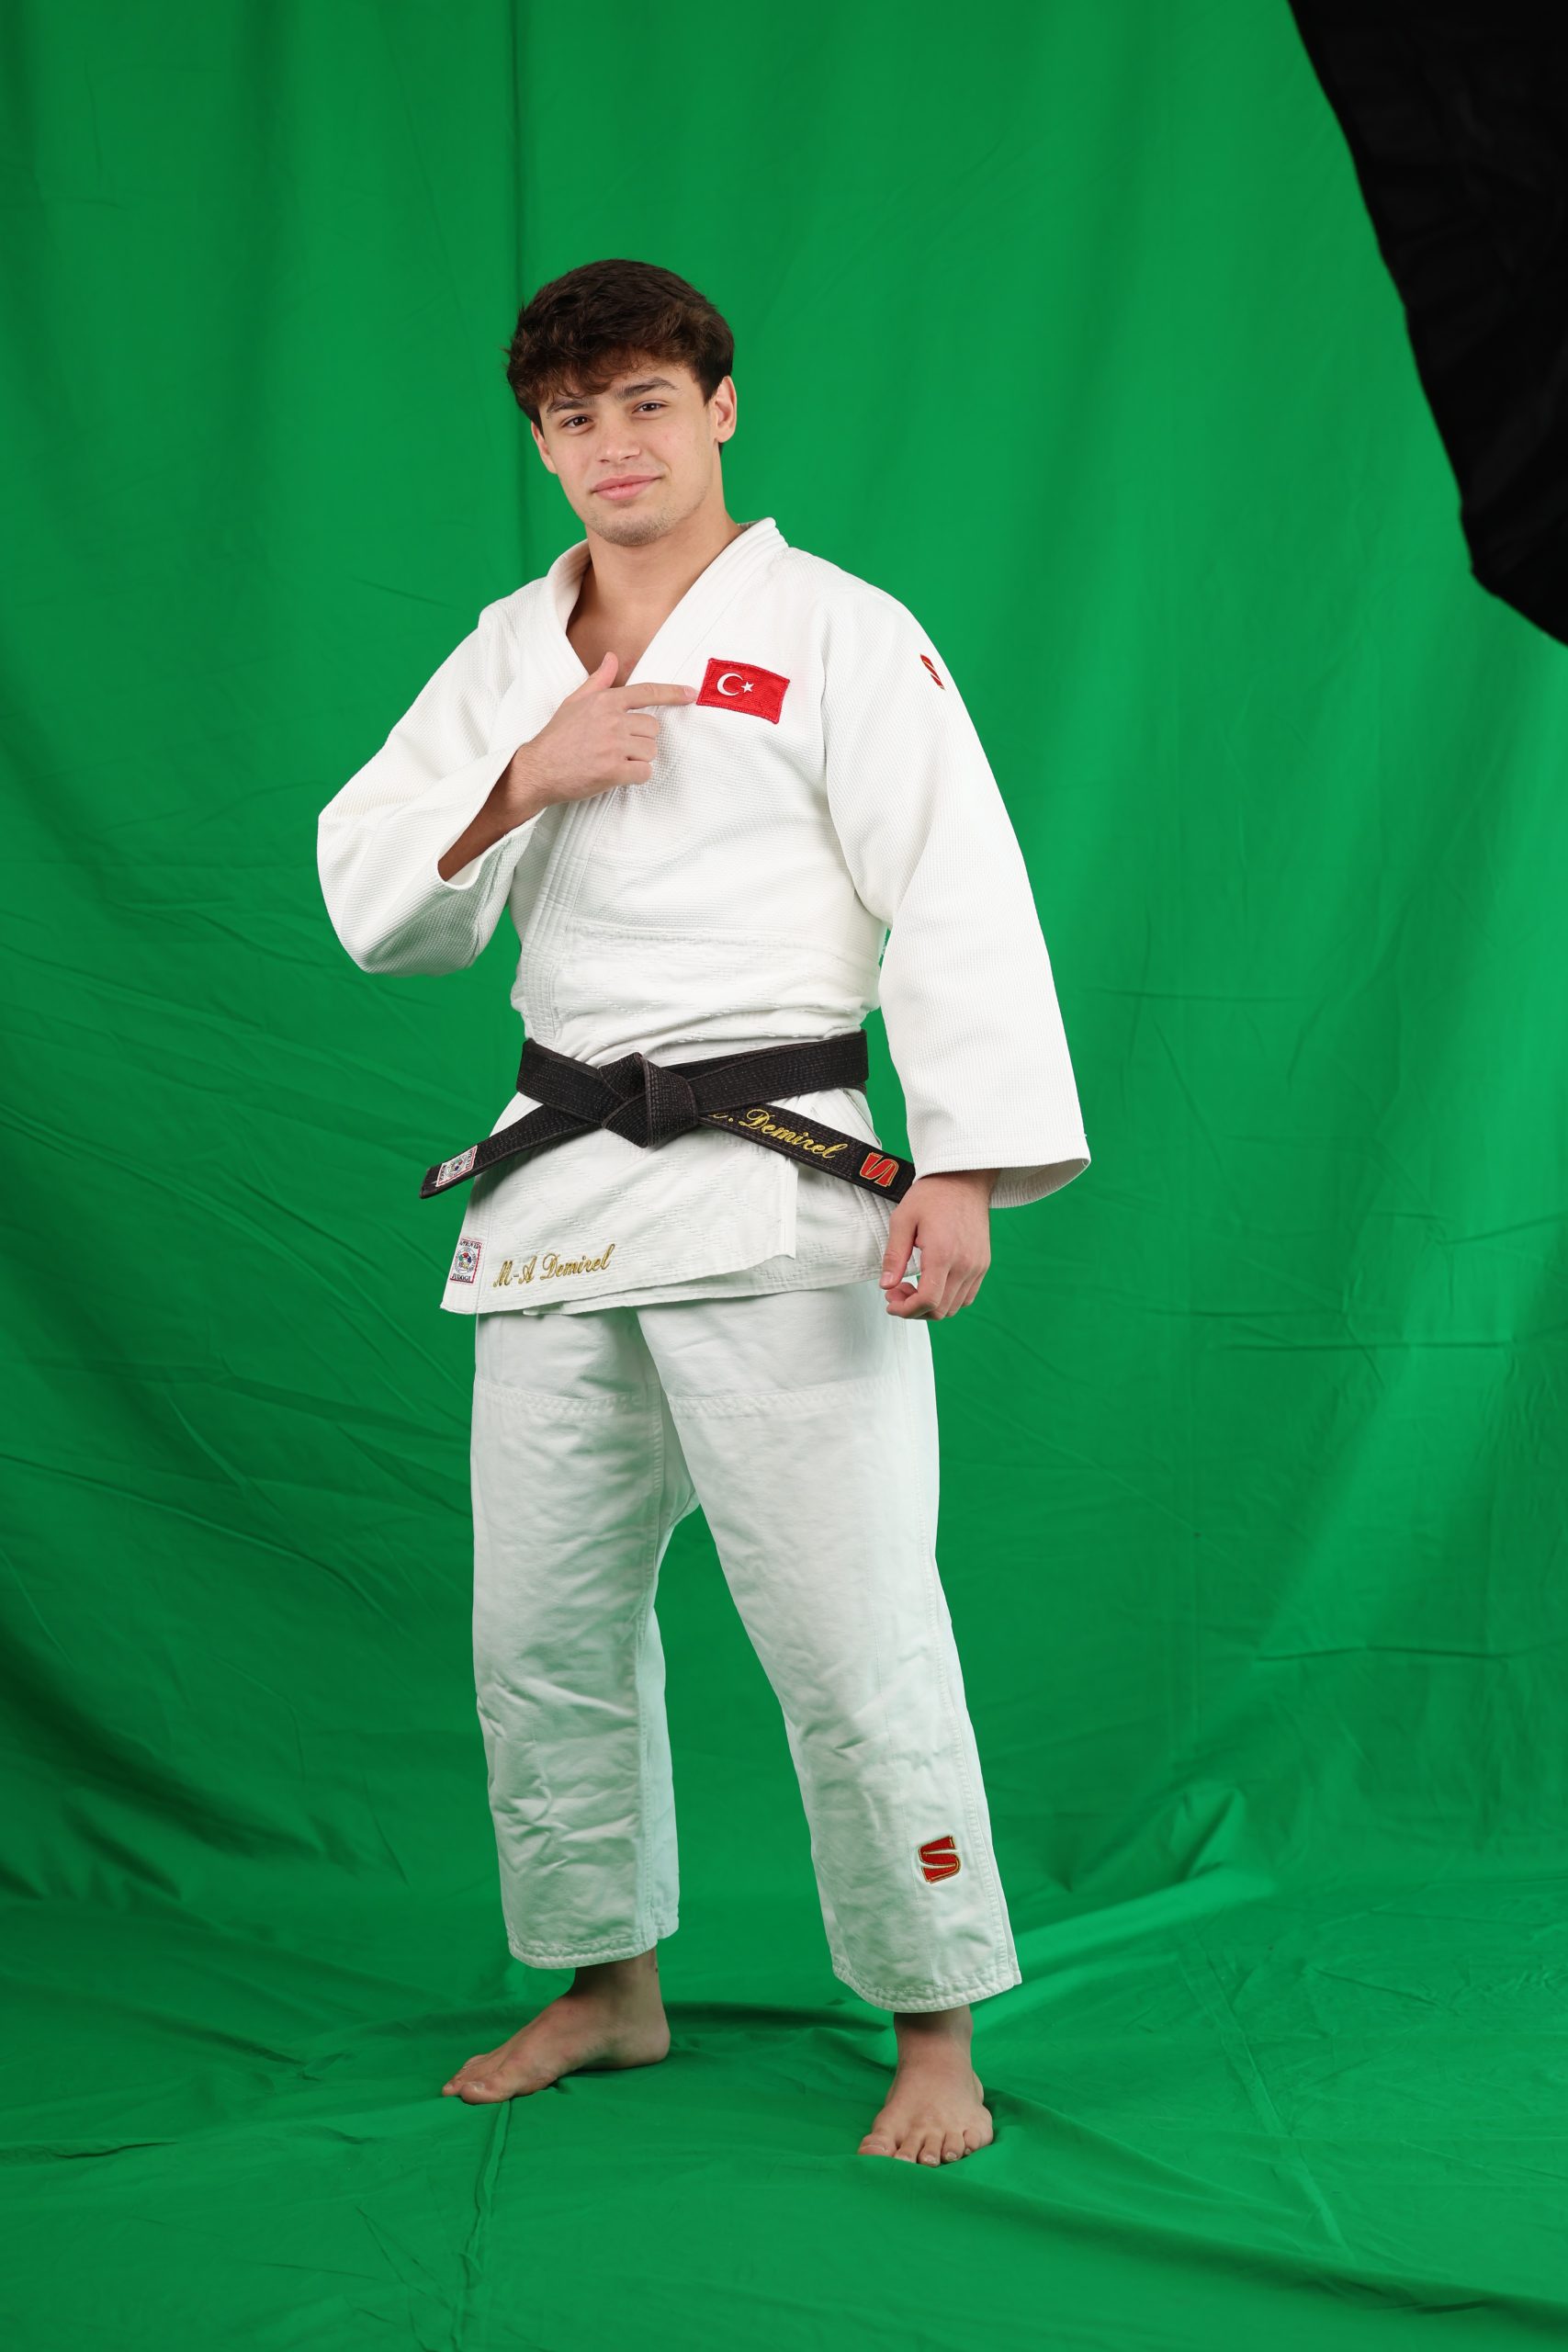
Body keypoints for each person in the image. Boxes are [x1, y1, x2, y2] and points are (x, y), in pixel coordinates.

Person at [316, 258, 1090, 2165]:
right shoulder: (511, 649)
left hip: (780, 1175)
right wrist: (525, 776)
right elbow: (373, 893)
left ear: (720, 408)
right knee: (540, 1627)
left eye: (646, 402)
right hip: (559, 1183)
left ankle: (933, 2018)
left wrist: (962, 1161)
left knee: (848, 1625)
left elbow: (958, 885)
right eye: (573, 417)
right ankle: (606, 1981)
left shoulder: (840, 630)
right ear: (540, 443)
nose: (613, 445)